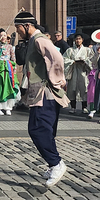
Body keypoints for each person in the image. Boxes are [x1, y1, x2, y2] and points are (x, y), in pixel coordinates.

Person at [14, 12, 69, 187]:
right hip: (40, 93)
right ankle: (53, 164)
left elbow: (57, 58)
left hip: (45, 93)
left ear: (27, 25)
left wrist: (57, 80)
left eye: (18, 28)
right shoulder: (32, 41)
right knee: (45, 129)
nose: (18, 32)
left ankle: (56, 163)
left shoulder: (40, 40)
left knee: (38, 129)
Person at [63, 33, 93, 114]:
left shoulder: (87, 50)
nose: (78, 40)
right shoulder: (70, 50)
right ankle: (73, 107)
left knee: (84, 88)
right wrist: (73, 62)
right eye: (76, 39)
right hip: (73, 70)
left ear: (82, 40)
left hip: (83, 71)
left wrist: (85, 61)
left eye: (79, 39)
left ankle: (84, 107)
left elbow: (91, 59)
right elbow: (64, 59)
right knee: (72, 89)